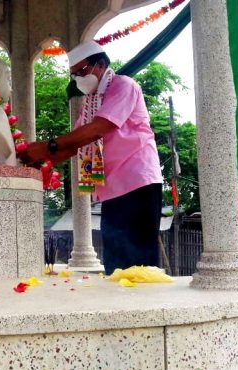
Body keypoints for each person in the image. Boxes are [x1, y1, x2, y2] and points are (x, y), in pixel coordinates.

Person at [20, 41, 163, 275]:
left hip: (138, 182)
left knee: (140, 261)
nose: (78, 79)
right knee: (116, 260)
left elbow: (98, 129)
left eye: (82, 72)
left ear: (100, 65)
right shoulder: (91, 102)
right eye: (74, 75)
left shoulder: (123, 86)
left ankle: (147, 308)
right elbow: (77, 143)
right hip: (113, 188)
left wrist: (47, 146)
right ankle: (122, 309)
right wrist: (40, 163)